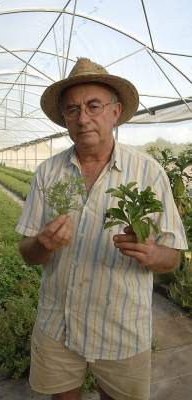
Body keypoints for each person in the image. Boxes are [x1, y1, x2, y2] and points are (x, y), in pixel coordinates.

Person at [15, 58, 188, 400]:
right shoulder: (48, 173)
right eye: (72, 109)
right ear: (64, 118)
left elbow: (173, 257)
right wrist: (43, 244)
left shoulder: (148, 173)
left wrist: (153, 254)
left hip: (122, 330)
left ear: (115, 111)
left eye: (94, 106)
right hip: (57, 326)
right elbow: (27, 253)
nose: (83, 118)